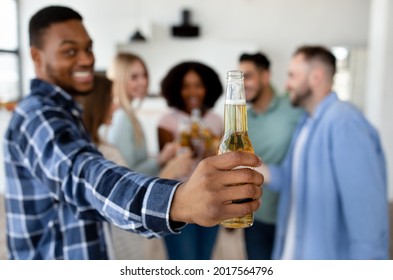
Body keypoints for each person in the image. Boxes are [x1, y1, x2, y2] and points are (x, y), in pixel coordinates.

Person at [3, 5, 263, 260]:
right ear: (36, 57)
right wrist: (179, 201)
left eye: (88, 48)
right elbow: (84, 175)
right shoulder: (37, 115)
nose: (86, 59)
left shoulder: (67, 115)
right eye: (70, 51)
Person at [259, 45, 389, 259]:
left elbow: (367, 221)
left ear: (316, 77)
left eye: (292, 75)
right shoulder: (306, 122)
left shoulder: (345, 123)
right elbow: (292, 179)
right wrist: (253, 167)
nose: (286, 84)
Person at [79, 74, 193, 259]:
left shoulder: (102, 146)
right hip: (123, 242)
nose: (115, 106)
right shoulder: (100, 153)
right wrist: (169, 170)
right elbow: (126, 193)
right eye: (110, 100)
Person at [238, 52, 303, 259]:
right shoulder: (242, 118)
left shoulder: (294, 109)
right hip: (256, 217)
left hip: (293, 217)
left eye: (248, 76)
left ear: (265, 76)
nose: (242, 84)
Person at [157, 61, 224, 260]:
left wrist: (211, 147)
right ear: (176, 89)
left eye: (198, 85)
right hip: (178, 201)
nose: (192, 92)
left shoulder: (216, 120)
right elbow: (165, 167)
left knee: (204, 258)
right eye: (186, 86)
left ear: (208, 88)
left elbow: (221, 162)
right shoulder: (167, 121)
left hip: (211, 198)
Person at [105, 52, 177, 177]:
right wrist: (160, 159)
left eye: (144, 75)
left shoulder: (126, 115)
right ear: (119, 79)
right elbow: (127, 173)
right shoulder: (121, 117)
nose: (143, 82)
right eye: (134, 77)